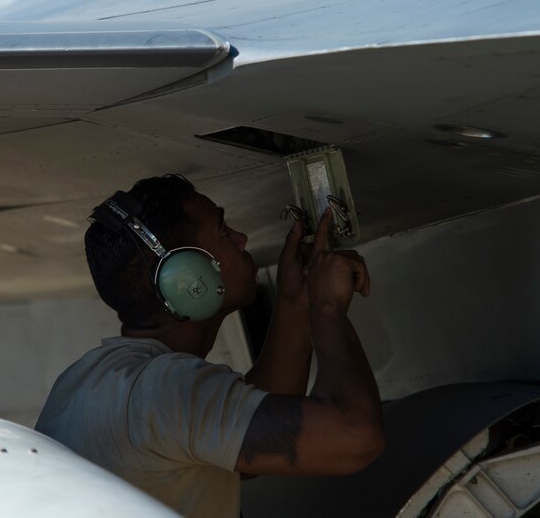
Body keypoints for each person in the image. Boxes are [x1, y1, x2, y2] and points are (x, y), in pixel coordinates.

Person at [35, 175, 384, 518]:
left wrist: (296, 304)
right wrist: (328, 308)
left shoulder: (83, 382)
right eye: (223, 232)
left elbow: (234, 445)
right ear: (187, 277)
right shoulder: (165, 391)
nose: (242, 239)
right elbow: (354, 436)